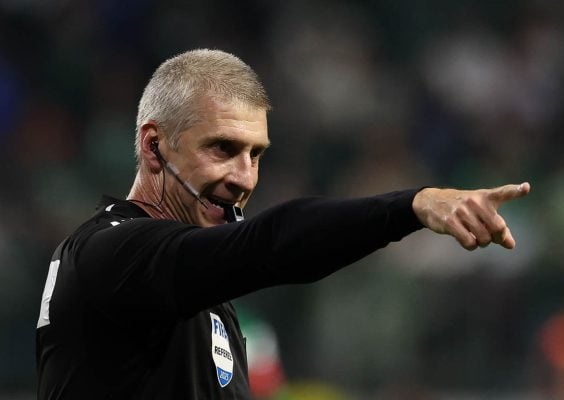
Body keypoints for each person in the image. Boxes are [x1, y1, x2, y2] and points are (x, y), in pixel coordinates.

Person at [35, 49, 530, 400]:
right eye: (223, 148)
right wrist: (412, 206)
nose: (244, 178)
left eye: (255, 155)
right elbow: (270, 243)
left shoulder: (199, 291)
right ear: (153, 147)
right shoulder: (111, 253)